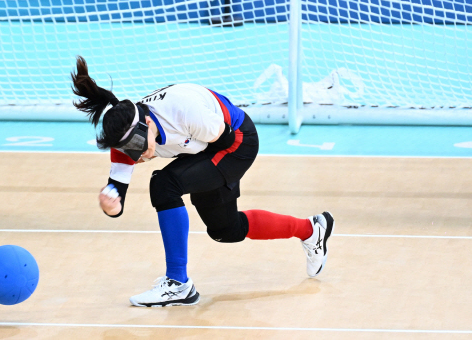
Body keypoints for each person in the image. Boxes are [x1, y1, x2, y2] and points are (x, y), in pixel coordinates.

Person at [71, 56, 334, 307]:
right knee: (225, 230)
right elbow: (118, 203)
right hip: (208, 148)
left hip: (236, 141)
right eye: (128, 150)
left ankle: (178, 284)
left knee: (164, 183)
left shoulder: (183, 109)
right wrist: (109, 205)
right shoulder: (125, 140)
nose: (136, 155)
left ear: (147, 122)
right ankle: (311, 230)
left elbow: (225, 141)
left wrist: (196, 179)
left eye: (138, 145)